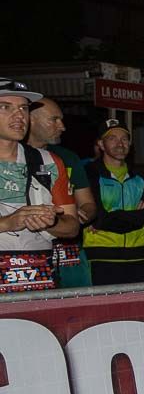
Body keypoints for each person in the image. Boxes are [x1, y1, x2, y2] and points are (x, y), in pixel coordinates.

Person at [0, 79, 78, 292]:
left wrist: (49, 223)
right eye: (6, 107)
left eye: (23, 108)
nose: (19, 116)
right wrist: (7, 223)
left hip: (39, 275)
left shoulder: (49, 161)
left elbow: (72, 226)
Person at [28, 97, 96, 287]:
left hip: (68, 251)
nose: (62, 126)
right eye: (54, 119)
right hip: (27, 254)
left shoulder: (67, 158)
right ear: (30, 119)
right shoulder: (12, 158)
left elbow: (88, 204)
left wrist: (82, 216)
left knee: (79, 309)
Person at [83, 123, 144, 285]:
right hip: (100, 254)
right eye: (112, 138)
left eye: (124, 139)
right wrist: (134, 216)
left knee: (134, 306)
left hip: (136, 254)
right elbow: (100, 217)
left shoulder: (141, 177)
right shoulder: (89, 173)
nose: (120, 144)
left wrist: (112, 216)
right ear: (101, 144)